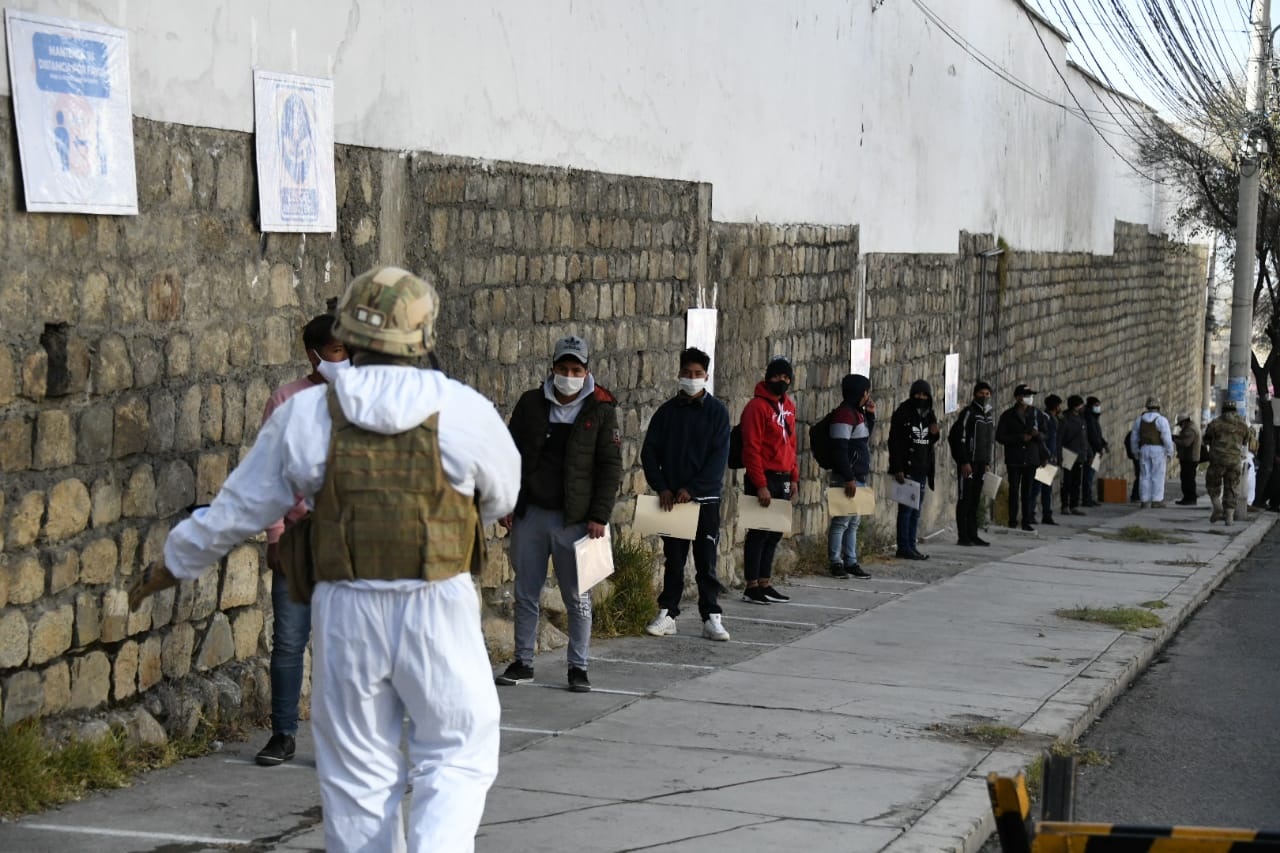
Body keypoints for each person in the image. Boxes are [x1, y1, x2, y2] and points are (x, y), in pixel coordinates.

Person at [128, 266, 521, 852]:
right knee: (457, 754)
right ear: (423, 335)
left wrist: (170, 565)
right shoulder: (463, 409)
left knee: (357, 777)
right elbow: (501, 499)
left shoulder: (307, 414)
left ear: (349, 335)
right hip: (438, 600)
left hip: (346, 608)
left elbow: (235, 511)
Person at [496, 335, 622, 692]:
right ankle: (523, 661)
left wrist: (599, 514)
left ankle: (578, 666)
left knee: (577, 598)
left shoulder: (600, 410)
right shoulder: (531, 404)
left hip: (576, 520)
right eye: (563, 368)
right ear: (552, 369)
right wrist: (507, 501)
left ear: (587, 371)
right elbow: (510, 453)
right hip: (531, 514)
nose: (569, 375)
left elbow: (609, 466)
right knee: (525, 592)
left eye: (576, 369)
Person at [254, 313, 349, 768]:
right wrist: (274, 535)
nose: (344, 359)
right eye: (335, 352)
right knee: (290, 641)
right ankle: (283, 732)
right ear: (312, 355)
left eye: (349, 350)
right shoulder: (286, 400)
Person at [641, 348, 731, 641]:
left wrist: (691, 489)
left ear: (706, 376)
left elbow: (718, 459)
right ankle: (668, 613)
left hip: (703, 501)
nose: (691, 379)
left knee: (706, 562)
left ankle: (711, 616)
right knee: (674, 561)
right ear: (679, 374)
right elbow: (649, 452)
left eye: (697, 374)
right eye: (687, 373)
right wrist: (663, 487)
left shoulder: (717, 413)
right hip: (673, 504)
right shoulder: (667, 412)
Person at [739, 355, 799, 604]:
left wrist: (794, 476)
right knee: (759, 532)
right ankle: (751, 585)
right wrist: (760, 484)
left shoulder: (789, 407)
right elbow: (751, 448)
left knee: (774, 532)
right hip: (763, 477)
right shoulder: (756, 407)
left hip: (783, 475)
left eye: (786, 377)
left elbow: (792, 443)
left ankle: (765, 581)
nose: (781, 381)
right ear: (768, 377)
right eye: (777, 376)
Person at [826, 374, 875, 579]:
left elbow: (862, 438)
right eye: (866, 391)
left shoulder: (858, 413)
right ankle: (836, 562)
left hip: (858, 476)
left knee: (854, 521)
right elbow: (839, 448)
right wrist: (848, 477)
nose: (868, 395)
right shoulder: (844, 414)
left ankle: (851, 560)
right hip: (848, 477)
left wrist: (870, 415)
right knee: (841, 521)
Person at [888, 379, 939, 559]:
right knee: (906, 509)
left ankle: (912, 544)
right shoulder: (903, 413)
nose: (921, 398)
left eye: (924, 395)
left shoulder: (929, 414)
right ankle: (903, 547)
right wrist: (898, 468)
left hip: (922, 468)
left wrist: (935, 433)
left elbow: (930, 441)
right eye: (918, 394)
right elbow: (894, 442)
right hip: (907, 468)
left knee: (916, 510)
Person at [949, 381, 995, 546]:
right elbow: (957, 438)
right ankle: (963, 536)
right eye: (981, 393)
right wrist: (963, 461)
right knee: (965, 499)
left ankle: (973, 534)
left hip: (982, 464)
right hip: (968, 464)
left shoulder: (988, 414)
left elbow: (988, 440)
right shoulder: (968, 413)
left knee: (975, 500)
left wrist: (987, 462)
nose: (984, 396)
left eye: (987, 394)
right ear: (975, 394)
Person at [995, 384, 1043, 531]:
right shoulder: (1008, 415)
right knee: (1014, 490)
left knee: (1027, 491)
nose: (1029, 398)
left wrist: (1037, 435)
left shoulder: (1036, 414)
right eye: (1026, 395)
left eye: (1030, 395)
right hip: (1014, 458)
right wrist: (1019, 437)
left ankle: (1026, 520)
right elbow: (1000, 437)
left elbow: (1046, 433)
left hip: (1031, 458)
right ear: (1018, 398)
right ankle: (1012, 520)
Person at [1202, 400, 1254, 524]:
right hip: (1235, 461)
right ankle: (1229, 517)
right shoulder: (1242, 425)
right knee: (1232, 487)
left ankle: (1217, 506)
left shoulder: (1215, 423)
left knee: (1213, 483)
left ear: (1222, 410)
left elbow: (1207, 439)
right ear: (1235, 410)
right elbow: (1246, 441)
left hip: (1217, 460)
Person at [1128, 397, 1174, 508]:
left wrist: (1135, 451)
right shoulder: (1161, 420)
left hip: (1144, 449)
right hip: (1158, 449)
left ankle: (1144, 500)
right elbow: (1166, 438)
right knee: (1158, 475)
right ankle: (1157, 500)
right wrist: (1170, 451)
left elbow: (1134, 437)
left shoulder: (1140, 420)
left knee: (1144, 475)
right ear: (1158, 408)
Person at [1058, 395, 1089, 515]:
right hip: (1068, 453)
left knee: (1076, 482)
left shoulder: (1082, 419)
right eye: (1081, 405)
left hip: (1079, 455)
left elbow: (1085, 438)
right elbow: (1060, 438)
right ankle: (1065, 505)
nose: (1083, 407)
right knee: (1067, 481)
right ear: (1075, 407)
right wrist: (1060, 456)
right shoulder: (1065, 419)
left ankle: (1074, 505)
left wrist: (1087, 453)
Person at [1037, 394, 1062, 525]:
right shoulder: (1046, 418)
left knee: (1047, 489)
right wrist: (1045, 456)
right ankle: (1031, 513)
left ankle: (1047, 514)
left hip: (1051, 458)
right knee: (1038, 488)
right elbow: (1045, 439)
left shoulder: (1054, 419)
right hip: (1045, 458)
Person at [1082, 396, 1108, 506]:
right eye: (1096, 405)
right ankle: (1086, 498)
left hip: (1096, 451)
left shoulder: (1094, 418)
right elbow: (1092, 436)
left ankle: (1089, 497)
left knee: (1091, 475)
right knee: (1088, 475)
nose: (1098, 408)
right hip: (1092, 452)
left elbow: (1097, 435)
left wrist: (1104, 444)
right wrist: (1098, 448)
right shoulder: (1089, 418)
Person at [1173, 413, 1201, 505]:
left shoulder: (1190, 430)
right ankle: (1188, 497)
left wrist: (1174, 440)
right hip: (1189, 458)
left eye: (1181, 424)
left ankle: (1190, 498)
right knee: (1187, 479)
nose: (1180, 427)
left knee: (1188, 479)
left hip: (1189, 458)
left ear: (1184, 422)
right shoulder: (1190, 428)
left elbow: (1186, 443)